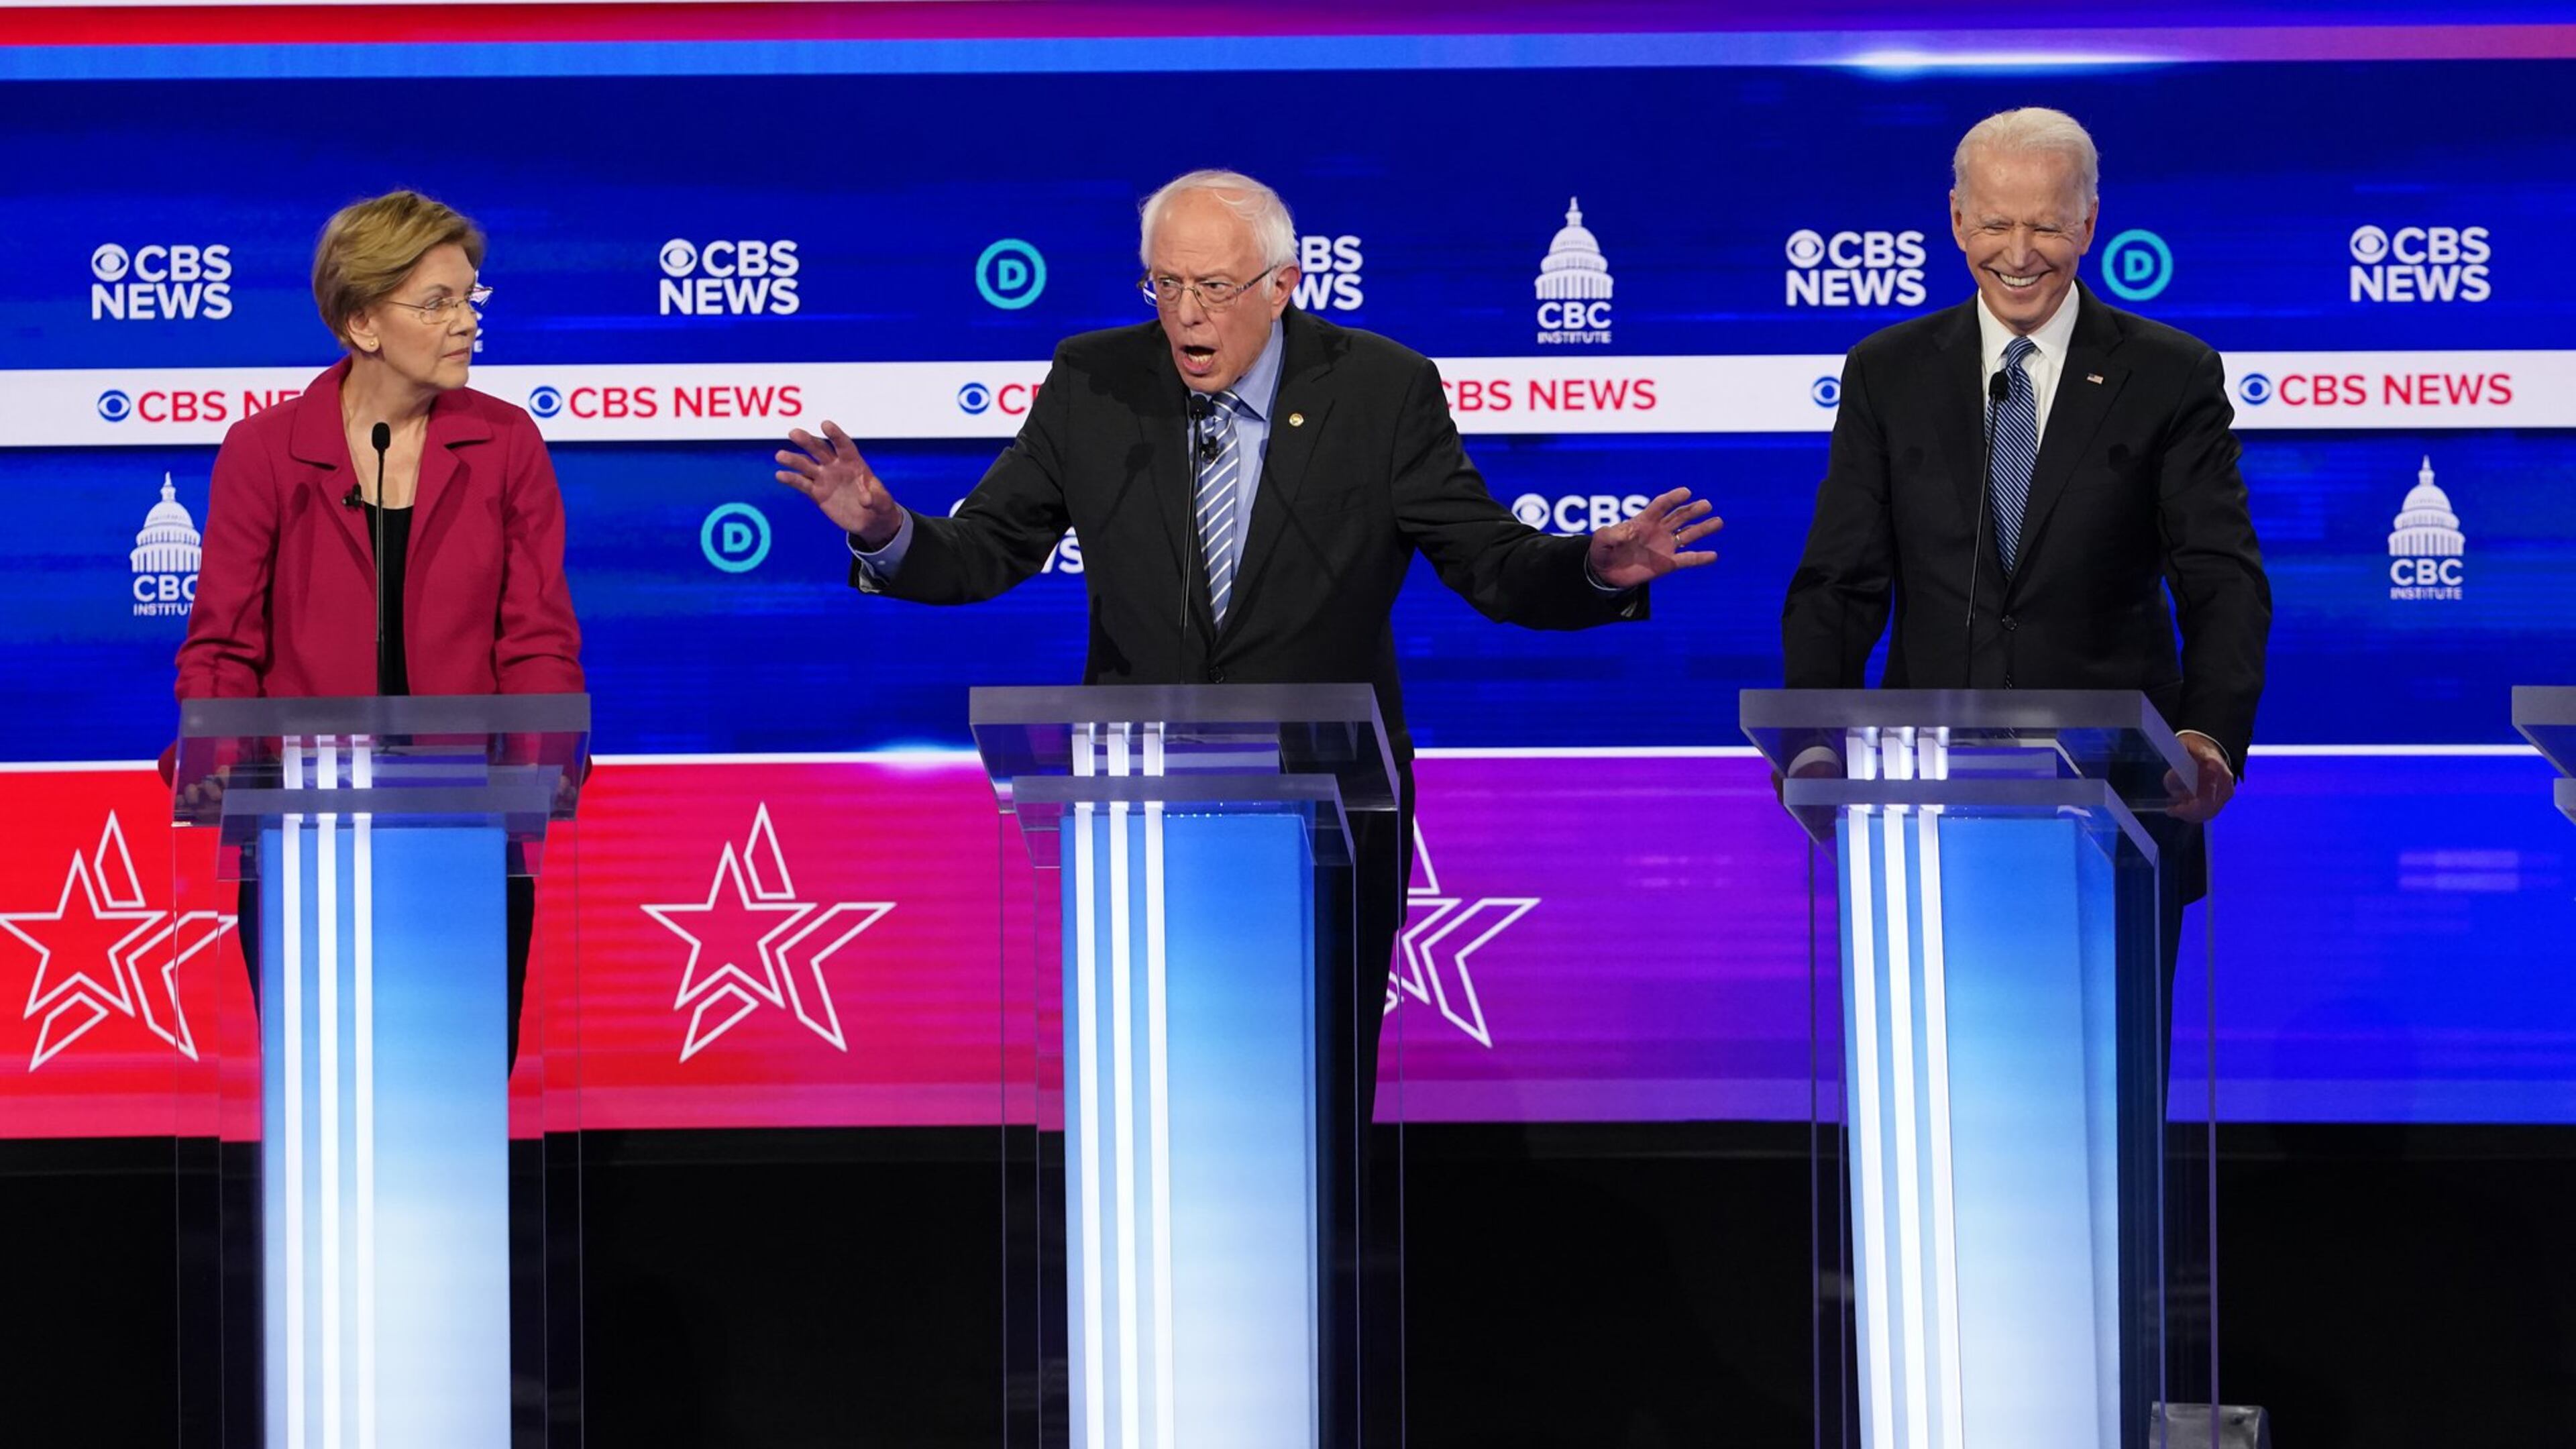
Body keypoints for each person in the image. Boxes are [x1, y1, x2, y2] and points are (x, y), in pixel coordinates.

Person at [777, 166, 1717, 1440]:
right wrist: (885, 527)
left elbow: (1491, 565)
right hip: (1141, 824)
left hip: (1328, 827)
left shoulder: (1380, 389)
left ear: (1285, 285)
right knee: (1149, 1116)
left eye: (1213, 288)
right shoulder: (1093, 380)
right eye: (1164, 285)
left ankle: (1293, 1386)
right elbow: (984, 553)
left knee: (1309, 1122)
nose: (1184, 316)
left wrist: (1596, 569)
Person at [1782, 107, 2271, 920]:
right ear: (1956, 220)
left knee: (2116, 1049)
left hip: (2122, 803)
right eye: (1996, 224)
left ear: (2089, 223)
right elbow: (1841, 581)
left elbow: (2221, 577)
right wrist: (1814, 738)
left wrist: (2208, 737)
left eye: (2046, 226)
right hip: (1923, 798)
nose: (2017, 254)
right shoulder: (1887, 373)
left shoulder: (2169, 374)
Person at [172, 189, 584, 1064]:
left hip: (468, 829)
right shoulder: (264, 452)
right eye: (437, 303)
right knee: (327, 1094)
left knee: (454, 1092)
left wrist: (541, 769)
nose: (466, 321)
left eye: (472, 297)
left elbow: (538, 638)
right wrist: (212, 767)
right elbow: (223, 645)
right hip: (303, 828)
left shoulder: (507, 444)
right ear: (362, 323)